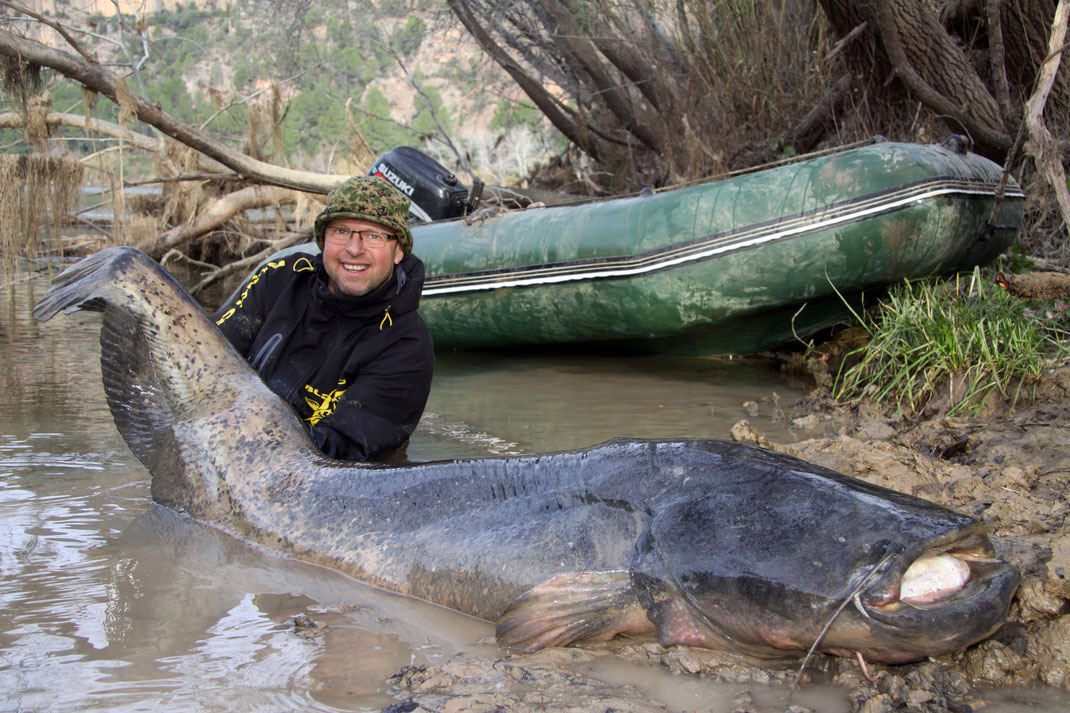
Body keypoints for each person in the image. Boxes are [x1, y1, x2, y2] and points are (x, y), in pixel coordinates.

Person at [212, 175, 434, 461]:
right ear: (322, 239)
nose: (354, 248)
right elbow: (213, 356)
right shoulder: (279, 278)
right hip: (229, 434)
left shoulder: (408, 345)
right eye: (341, 231)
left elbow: (341, 450)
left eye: (374, 235)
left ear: (398, 250)